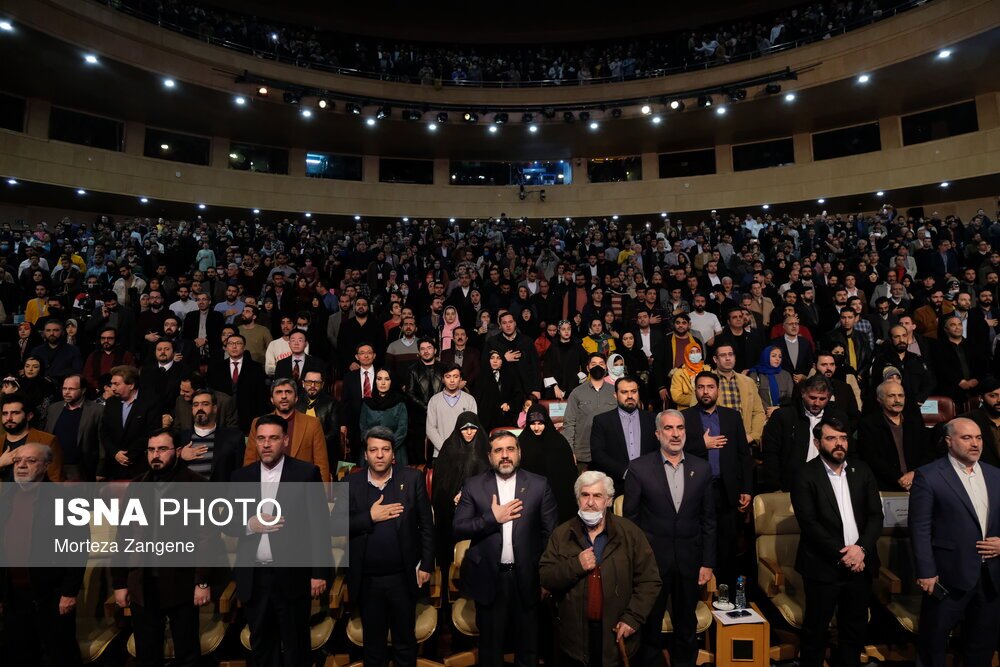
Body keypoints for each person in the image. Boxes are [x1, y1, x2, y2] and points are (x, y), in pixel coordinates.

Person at [226, 415, 329, 667]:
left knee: (296, 648)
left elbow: (319, 526)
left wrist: (319, 573)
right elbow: (226, 522)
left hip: (293, 577)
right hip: (254, 579)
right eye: (261, 439)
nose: (266, 444)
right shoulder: (240, 477)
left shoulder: (306, 473)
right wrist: (250, 525)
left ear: (285, 440)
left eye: (273, 438)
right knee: (261, 648)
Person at [453, 431, 559, 667]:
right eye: (498, 451)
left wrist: (545, 578)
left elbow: (550, 537)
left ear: (519, 453)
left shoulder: (539, 485)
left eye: (510, 449)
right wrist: (492, 518)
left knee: (528, 650)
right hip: (489, 579)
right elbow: (459, 528)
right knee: (490, 652)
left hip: (528, 579)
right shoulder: (474, 485)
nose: (505, 456)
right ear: (489, 456)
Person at [112, 429, 215, 667]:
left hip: (182, 583)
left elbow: (206, 538)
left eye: (162, 449)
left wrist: (202, 582)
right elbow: (124, 536)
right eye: (151, 450)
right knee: (147, 655)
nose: (155, 455)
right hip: (143, 584)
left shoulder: (196, 485)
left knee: (187, 654)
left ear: (177, 452)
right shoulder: (137, 486)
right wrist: (119, 582)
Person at [539, 471, 661, 667]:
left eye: (597, 496)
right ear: (577, 499)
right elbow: (546, 578)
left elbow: (650, 580)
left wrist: (632, 618)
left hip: (616, 637)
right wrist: (576, 565)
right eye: (585, 495)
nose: (590, 502)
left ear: (609, 500)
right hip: (574, 640)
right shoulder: (561, 534)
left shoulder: (630, 534)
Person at [624, 410, 716, 667]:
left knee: (686, 625)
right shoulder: (639, 468)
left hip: (690, 562)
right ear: (657, 433)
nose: (675, 434)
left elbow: (708, 520)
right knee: (651, 625)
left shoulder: (702, 467)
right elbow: (630, 522)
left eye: (680, 428)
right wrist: (638, 562)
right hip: (652, 564)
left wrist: (707, 562)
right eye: (668, 428)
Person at [790, 415, 883, 667]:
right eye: (831, 438)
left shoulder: (861, 470)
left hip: (860, 565)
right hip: (823, 566)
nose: (839, 443)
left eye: (843, 438)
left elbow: (876, 515)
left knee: (854, 631)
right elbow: (809, 524)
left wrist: (861, 549)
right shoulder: (804, 474)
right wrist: (847, 554)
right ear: (818, 442)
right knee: (815, 632)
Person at [910, 417, 1000, 667]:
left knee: (982, 645)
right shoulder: (929, 476)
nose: (975, 444)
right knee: (933, 645)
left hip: (991, 576)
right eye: (967, 437)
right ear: (949, 441)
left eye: (979, 438)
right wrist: (926, 572)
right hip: (947, 576)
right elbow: (919, 527)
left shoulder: (996, 475)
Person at [347, 426, 434, 667]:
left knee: (405, 644)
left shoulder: (412, 478)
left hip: (403, 578)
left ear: (393, 454)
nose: (379, 455)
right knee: (373, 648)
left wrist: (426, 564)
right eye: (373, 450)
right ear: (365, 454)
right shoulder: (351, 481)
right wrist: (370, 517)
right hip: (367, 580)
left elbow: (427, 525)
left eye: (385, 450)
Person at [0, 442, 84, 666]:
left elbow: (78, 547)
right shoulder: (6, 499)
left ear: (46, 465)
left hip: (52, 597)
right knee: (18, 656)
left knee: (60, 656)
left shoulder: (65, 501)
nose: (22, 466)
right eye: (18, 460)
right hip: (14, 598)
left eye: (31, 460)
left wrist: (69, 592)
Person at [681, 371, 753, 588]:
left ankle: (726, 593)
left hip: (726, 489)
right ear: (696, 390)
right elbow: (675, 451)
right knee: (699, 540)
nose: (705, 391)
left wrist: (747, 489)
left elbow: (743, 454)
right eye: (701, 387)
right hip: (696, 489)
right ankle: (700, 591)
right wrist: (703, 445)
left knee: (727, 543)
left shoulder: (732, 416)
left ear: (718, 390)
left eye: (710, 387)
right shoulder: (685, 417)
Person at [432, 412, 490, 572]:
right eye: (465, 429)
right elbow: (441, 483)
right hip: (451, 507)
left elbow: (489, 480)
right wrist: (454, 495)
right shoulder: (449, 448)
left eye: (473, 428)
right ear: (458, 430)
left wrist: (468, 495)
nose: (469, 432)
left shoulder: (484, 449)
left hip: (479, 508)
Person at [244, 378, 332, 482]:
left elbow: (321, 465)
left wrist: (321, 496)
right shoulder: (258, 423)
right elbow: (249, 461)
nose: (284, 396)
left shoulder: (312, 424)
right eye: (279, 392)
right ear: (272, 399)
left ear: (296, 398)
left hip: (301, 488)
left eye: (288, 392)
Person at [857, 381, 934, 491]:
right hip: (884, 486)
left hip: (917, 482)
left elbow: (928, 452)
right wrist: (898, 478)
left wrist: (914, 474)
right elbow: (871, 457)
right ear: (880, 399)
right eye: (891, 396)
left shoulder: (915, 422)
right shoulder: (868, 424)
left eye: (901, 395)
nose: (897, 400)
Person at [590, 376, 657, 485]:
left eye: (634, 391)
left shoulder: (652, 419)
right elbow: (598, 454)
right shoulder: (602, 421)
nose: (630, 396)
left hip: (648, 481)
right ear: (615, 395)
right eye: (624, 392)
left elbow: (658, 450)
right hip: (615, 482)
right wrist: (624, 472)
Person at [518, 404, 579, 522]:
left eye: (540, 423)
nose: (536, 428)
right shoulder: (521, 443)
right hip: (530, 499)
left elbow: (569, 475)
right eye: (532, 424)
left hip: (558, 499)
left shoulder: (559, 442)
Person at [562, 353, 618, 471]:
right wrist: (570, 451)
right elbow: (569, 423)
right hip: (583, 453)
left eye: (601, 364)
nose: (597, 367)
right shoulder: (576, 393)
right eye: (593, 364)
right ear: (587, 368)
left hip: (610, 452)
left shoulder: (616, 392)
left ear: (606, 367)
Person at [176, 389, 245, 482]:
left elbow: (240, 475)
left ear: (215, 408)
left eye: (205, 404)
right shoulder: (179, 438)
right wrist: (180, 457)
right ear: (192, 409)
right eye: (196, 405)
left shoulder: (234, 438)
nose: (200, 408)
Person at [206, 333, 269, 433]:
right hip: (223, 418)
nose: (234, 346)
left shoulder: (256, 368)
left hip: (248, 417)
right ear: (226, 347)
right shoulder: (217, 368)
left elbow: (261, 396)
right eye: (230, 343)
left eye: (238, 343)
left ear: (244, 347)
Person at [44, 373, 102, 481]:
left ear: (83, 390)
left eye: (71, 389)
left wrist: (101, 469)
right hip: (54, 465)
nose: (66, 392)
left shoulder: (97, 411)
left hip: (81, 468)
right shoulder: (53, 408)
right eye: (64, 388)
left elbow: (101, 442)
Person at [426, 363, 478, 459]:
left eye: (455, 376)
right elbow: (430, 429)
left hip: (465, 453)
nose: (452, 380)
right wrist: (445, 448)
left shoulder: (469, 400)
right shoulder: (434, 400)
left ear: (460, 379)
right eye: (448, 376)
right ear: (442, 378)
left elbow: (472, 427)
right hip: (440, 453)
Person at [359, 368, 408, 465]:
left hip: (395, 449)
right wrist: (373, 446)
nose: (383, 383)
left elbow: (402, 430)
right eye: (379, 379)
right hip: (371, 449)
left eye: (387, 379)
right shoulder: (367, 403)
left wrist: (388, 447)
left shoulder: (400, 403)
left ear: (392, 382)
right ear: (375, 381)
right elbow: (363, 428)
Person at [296, 369, 341, 465]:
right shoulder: (295, 402)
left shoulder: (331, 403)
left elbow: (334, 431)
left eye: (317, 383)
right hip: (298, 449)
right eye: (309, 382)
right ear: (303, 383)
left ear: (322, 385)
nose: (312, 386)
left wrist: (316, 442)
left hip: (324, 449)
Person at [475, 349, 525, 432]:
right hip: (487, 421)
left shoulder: (510, 376)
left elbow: (518, 395)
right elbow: (478, 400)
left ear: (502, 361)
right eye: (492, 358)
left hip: (506, 418)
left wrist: (509, 405)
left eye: (498, 358)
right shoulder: (480, 378)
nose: (495, 360)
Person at [747, 345, 794, 417]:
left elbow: (791, 397)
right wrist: (767, 410)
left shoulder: (786, 375)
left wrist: (778, 409)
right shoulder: (755, 373)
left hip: (782, 414)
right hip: (762, 414)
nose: (777, 359)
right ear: (765, 356)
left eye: (780, 356)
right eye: (774, 356)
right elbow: (753, 397)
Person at [670, 339, 709, 408]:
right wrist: (697, 400)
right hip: (687, 411)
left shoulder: (708, 370)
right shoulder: (679, 373)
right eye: (692, 352)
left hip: (707, 408)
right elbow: (676, 396)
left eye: (697, 351)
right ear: (686, 354)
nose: (695, 354)